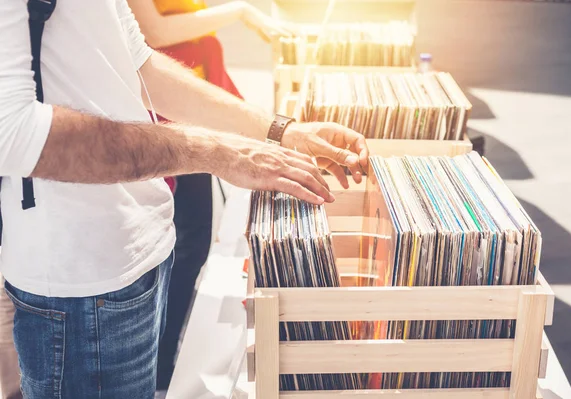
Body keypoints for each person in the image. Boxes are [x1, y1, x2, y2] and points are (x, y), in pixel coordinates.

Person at [0, 1, 367, 398]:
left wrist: (279, 130)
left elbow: (137, 62)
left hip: (137, 256)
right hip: (80, 286)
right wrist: (218, 151)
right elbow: (16, 134)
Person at [127, 0, 294, 391]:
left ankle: (164, 355)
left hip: (189, 103)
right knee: (172, 240)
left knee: (194, 237)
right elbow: (156, 34)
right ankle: (159, 360)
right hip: (161, 113)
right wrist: (240, 12)